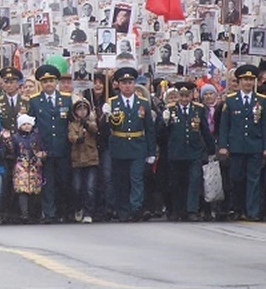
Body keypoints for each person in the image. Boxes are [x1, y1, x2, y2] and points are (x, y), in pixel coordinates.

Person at [101, 67, 157, 222]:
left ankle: (136, 207)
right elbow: (105, 130)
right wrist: (104, 116)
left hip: (138, 146)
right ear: (118, 85)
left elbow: (149, 129)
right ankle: (123, 210)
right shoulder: (112, 102)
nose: (127, 86)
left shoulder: (143, 103)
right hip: (119, 146)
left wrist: (151, 152)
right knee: (121, 180)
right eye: (124, 83)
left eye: (130, 82)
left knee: (136, 178)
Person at [217, 65, 266, 220]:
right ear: (239, 81)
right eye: (245, 79)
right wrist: (223, 146)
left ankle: (252, 211)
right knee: (236, 179)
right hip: (236, 146)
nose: (248, 83)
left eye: (251, 80)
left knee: (254, 180)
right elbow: (225, 126)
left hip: (254, 146)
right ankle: (237, 209)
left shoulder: (261, 101)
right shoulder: (231, 101)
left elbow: (264, 126)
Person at [28, 65, 73, 223]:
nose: (48, 84)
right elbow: (32, 126)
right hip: (44, 149)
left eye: (51, 81)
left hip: (62, 147)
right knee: (48, 183)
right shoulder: (34, 101)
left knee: (64, 181)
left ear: (56, 82)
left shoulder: (67, 99)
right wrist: (36, 148)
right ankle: (49, 213)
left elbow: (72, 123)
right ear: (41, 83)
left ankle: (64, 211)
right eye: (45, 81)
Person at [165, 83, 215, 222]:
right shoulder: (171, 109)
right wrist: (164, 121)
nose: (185, 99)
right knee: (177, 183)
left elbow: (204, 130)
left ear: (192, 95)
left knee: (194, 181)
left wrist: (211, 149)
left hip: (194, 152)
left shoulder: (198, 109)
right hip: (176, 152)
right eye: (182, 96)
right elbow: (164, 134)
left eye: (187, 96)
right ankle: (177, 210)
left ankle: (191, 210)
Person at [5, 114, 45, 223]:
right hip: (21, 166)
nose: (26, 126)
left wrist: (42, 155)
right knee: (22, 190)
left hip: (34, 166)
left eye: (28, 124)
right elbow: (11, 150)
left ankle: (34, 213)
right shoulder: (15, 137)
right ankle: (24, 214)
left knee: (35, 190)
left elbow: (42, 149)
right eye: (24, 124)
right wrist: (7, 141)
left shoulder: (36, 136)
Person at [67, 98, 99, 223]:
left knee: (90, 187)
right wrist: (79, 137)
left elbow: (95, 129)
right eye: (79, 109)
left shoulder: (91, 121)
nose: (82, 112)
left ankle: (88, 211)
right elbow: (71, 137)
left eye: (84, 109)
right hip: (77, 159)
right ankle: (78, 207)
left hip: (91, 159)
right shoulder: (73, 124)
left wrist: (87, 124)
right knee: (77, 187)